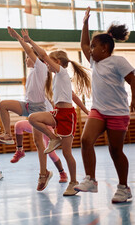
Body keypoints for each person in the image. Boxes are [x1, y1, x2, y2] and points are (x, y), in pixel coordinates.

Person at [74, 7, 135, 203]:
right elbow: (83, 43)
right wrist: (85, 23)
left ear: (105, 48)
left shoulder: (117, 61)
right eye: (92, 47)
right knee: (86, 140)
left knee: (115, 150)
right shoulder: (95, 62)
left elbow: (133, 80)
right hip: (98, 110)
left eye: (94, 47)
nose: (90, 49)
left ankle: (123, 187)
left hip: (117, 113)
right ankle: (91, 180)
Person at [22, 29, 91, 196]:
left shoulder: (61, 72)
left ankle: (73, 182)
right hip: (57, 112)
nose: (46, 64)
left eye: (49, 62)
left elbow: (44, 56)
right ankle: (53, 139)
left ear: (58, 62)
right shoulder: (60, 79)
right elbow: (73, 96)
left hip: (67, 116)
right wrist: (86, 110)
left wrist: (30, 40)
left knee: (67, 153)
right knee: (33, 118)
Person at [0, 27, 58, 191]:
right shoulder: (32, 71)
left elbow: (30, 51)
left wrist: (18, 37)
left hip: (38, 109)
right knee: (3, 105)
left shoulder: (41, 67)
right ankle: (8, 135)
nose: (26, 60)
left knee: (39, 143)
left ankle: (44, 174)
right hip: (28, 105)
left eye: (27, 58)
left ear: (36, 59)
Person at [13, 119, 68, 183]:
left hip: (47, 128)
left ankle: (62, 172)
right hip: (36, 125)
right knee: (19, 125)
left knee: (51, 154)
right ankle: (20, 150)